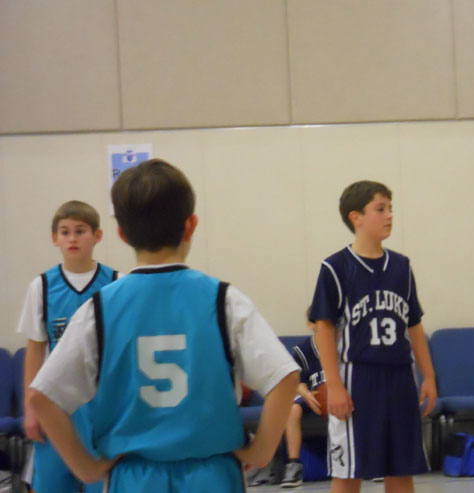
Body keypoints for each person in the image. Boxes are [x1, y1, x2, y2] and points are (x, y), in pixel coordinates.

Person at [27, 159, 300, 492]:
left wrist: (86, 468)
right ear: (191, 225)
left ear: (121, 233)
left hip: (134, 477)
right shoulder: (224, 300)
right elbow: (285, 376)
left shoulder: (98, 309)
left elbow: (42, 396)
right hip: (212, 473)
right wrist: (261, 452)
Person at [309, 180, 437, 493]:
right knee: (349, 471)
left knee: (401, 470)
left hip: (400, 376)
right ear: (357, 218)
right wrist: (333, 385)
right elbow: (323, 327)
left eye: (390, 208)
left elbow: (414, 325)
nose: (390, 215)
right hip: (358, 378)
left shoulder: (402, 267)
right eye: (380, 209)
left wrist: (429, 376)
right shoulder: (335, 267)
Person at [17, 200, 118, 493]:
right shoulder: (42, 286)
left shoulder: (115, 283)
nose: (72, 238)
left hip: (100, 404)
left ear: (97, 236)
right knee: (51, 484)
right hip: (56, 405)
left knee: (103, 484)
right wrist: (31, 408)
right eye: (65, 232)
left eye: (80, 231)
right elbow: (35, 349)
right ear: (55, 238)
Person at [281, 314, 326, 488]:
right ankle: (294, 465)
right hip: (310, 394)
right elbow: (298, 383)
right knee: (292, 409)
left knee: (366, 402)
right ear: (310, 325)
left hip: (339, 393)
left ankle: (373, 461)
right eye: (320, 323)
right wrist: (306, 394)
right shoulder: (303, 349)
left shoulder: (343, 344)